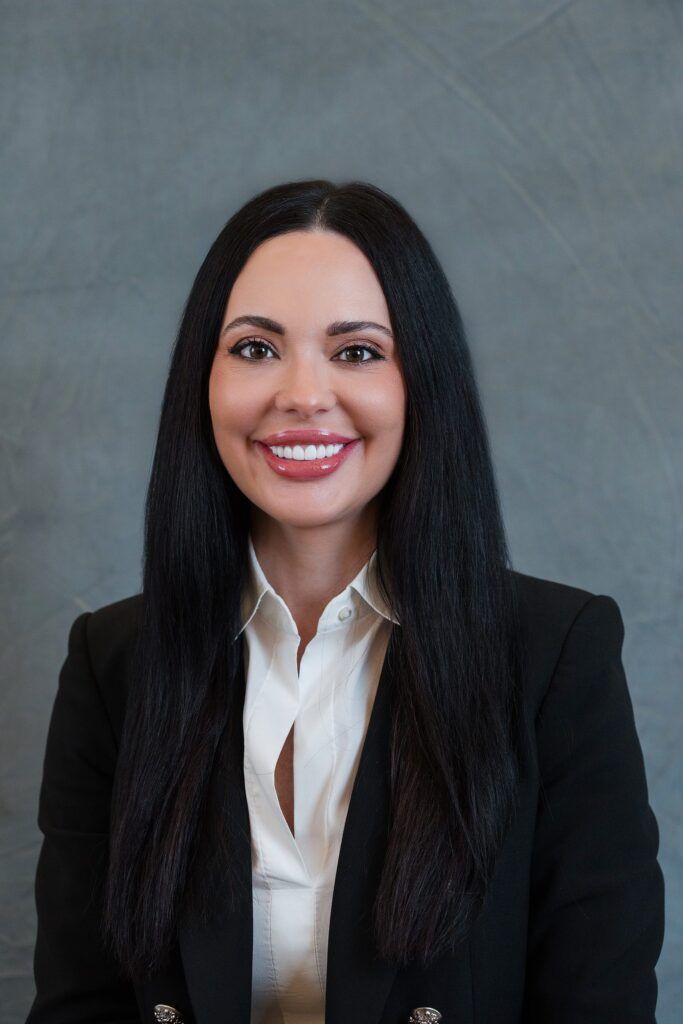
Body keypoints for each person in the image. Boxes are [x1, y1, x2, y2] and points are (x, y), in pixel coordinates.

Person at [26, 179, 664, 1024]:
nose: (300, 393)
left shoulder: (555, 656)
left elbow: (598, 1004)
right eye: (255, 348)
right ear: (201, 380)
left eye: (356, 351)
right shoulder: (115, 663)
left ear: (419, 381)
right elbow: (79, 1004)